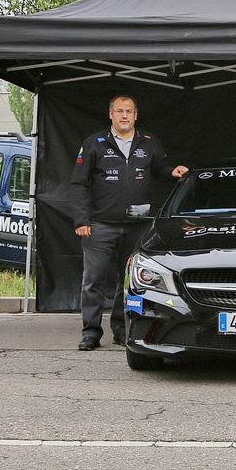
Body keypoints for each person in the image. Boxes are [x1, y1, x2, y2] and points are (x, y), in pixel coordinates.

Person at [70, 95, 187, 351]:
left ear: (136, 116)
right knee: (93, 280)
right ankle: (90, 332)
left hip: (138, 225)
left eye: (129, 111)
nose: (124, 116)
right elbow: (78, 185)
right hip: (100, 225)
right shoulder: (94, 144)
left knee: (129, 281)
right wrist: (81, 219)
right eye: (120, 111)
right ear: (110, 114)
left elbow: (160, 169)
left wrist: (172, 172)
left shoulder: (149, 142)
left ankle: (122, 331)